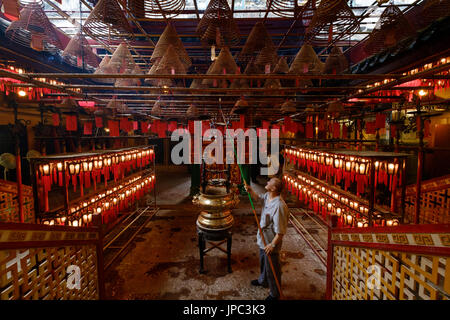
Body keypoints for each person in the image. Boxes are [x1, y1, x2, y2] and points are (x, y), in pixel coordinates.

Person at [244, 177, 289, 300]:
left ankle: (275, 294)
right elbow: (258, 199)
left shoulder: (279, 206)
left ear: (274, 188)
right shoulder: (268, 196)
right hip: (263, 236)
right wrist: (250, 190)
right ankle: (263, 281)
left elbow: (280, 232)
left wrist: (272, 245)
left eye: (270, 182)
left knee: (272, 267)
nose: (267, 182)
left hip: (271, 240)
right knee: (263, 261)